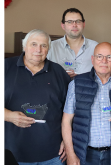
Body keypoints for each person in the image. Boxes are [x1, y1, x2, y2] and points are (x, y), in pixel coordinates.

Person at [62, 42, 111, 165]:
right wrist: (70, 154)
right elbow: (66, 121)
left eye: (109, 57)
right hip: (84, 154)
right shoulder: (76, 84)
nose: (104, 61)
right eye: (99, 56)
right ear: (92, 60)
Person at [5, 29, 71, 165]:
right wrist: (7, 115)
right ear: (24, 46)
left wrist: (67, 140)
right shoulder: (5, 67)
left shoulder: (59, 72)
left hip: (53, 155)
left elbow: (71, 110)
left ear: (48, 49)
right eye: (33, 44)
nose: (38, 49)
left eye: (44, 45)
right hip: (12, 153)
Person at [47, 8, 98, 78]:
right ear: (63, 25)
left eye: (78, 21)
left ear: (84, 24)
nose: (74, 25)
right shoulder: (51, 47)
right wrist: (60, 75)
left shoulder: (95, 47)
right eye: (69, 22)